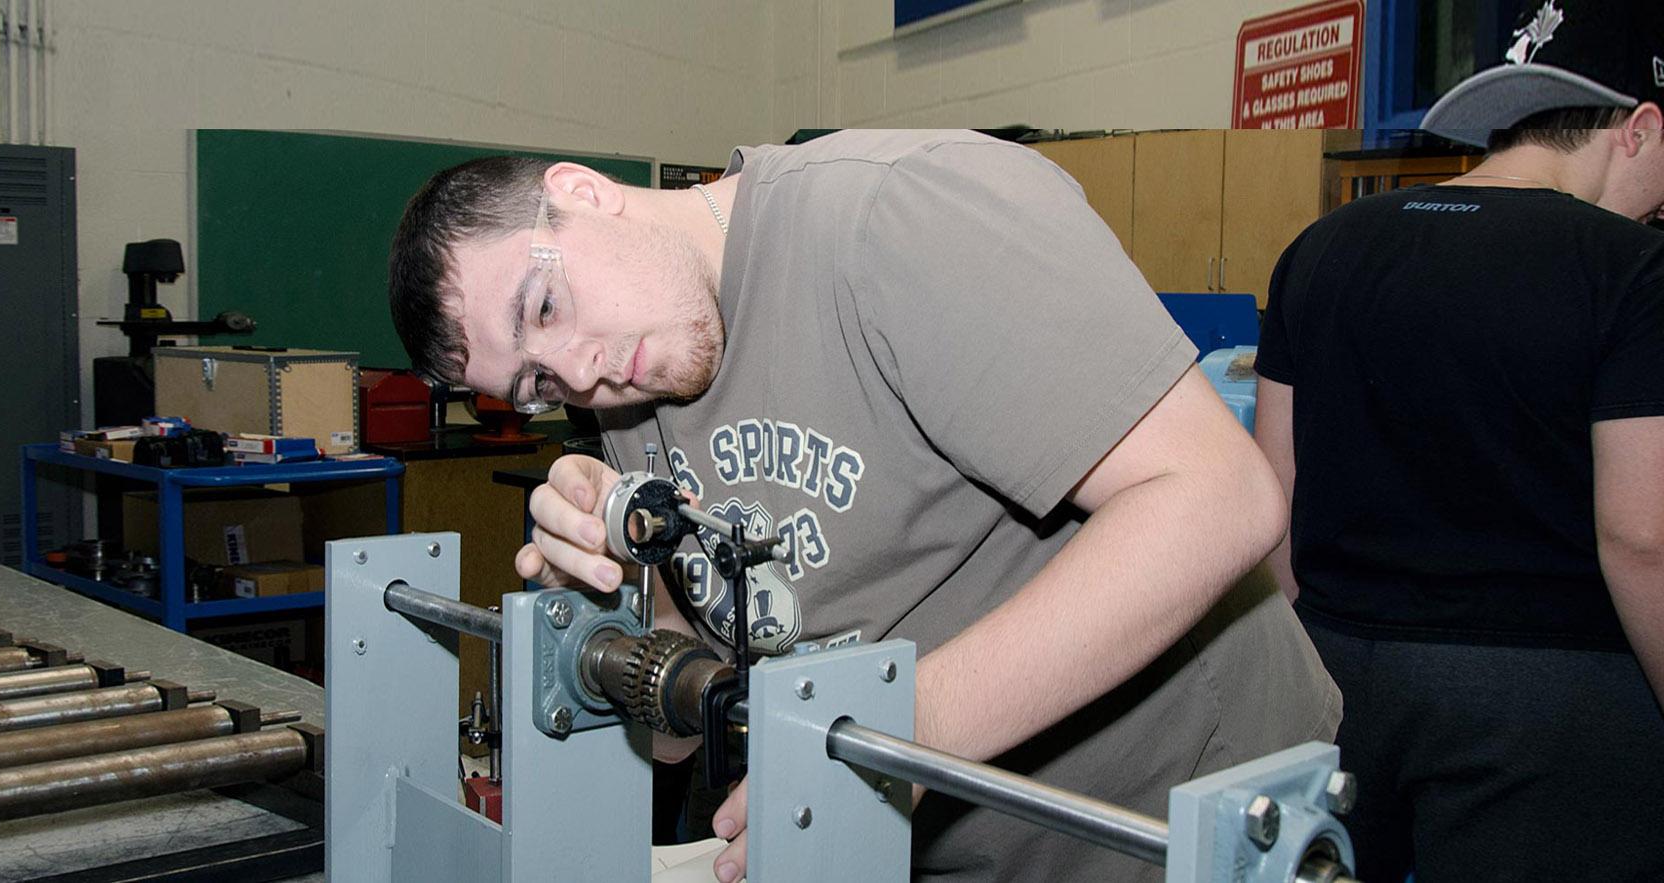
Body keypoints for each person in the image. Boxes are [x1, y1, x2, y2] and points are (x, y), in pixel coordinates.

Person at [389, 128, 1340, 882]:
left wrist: (905, 733)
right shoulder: (629, 392)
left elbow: (1220, 495)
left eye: (545, 308)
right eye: (539, 384)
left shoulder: (902, 215)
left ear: (583, 191)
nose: (582, 372)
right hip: (944, 842)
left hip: (1191, 817)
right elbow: (679, 739)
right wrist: (633, 602)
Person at [1254, 2, 1664, 880]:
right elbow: (1642, 537)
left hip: (1336, 682)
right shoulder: (1631, 271)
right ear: (1640, 129)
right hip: (1547, 708)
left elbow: (1272, 506)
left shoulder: (1321, 247)